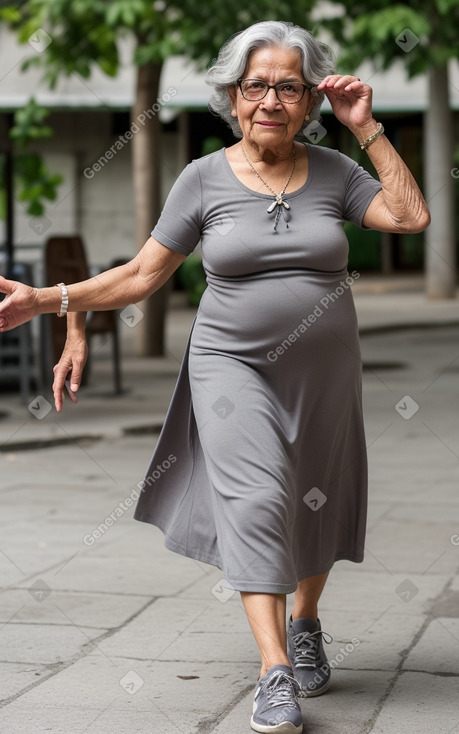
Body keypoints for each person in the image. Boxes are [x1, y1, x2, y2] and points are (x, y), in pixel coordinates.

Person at [0, 20, 430, 734]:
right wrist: (50, 302)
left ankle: (306, 621)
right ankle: (273, 672)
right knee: (259, 498)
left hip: (323, 372)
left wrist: (368, 128)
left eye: (288, 86)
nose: (270, 99)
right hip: (231, 365)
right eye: (255, 85)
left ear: (309, 99)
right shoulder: (201, 179)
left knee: (312, 498)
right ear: (231, 96)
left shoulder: (335, 172)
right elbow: (141, 274)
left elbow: (410, 217)